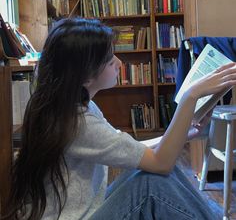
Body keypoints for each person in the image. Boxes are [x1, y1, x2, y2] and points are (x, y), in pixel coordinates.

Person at [8, 17, 236, 220]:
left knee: (150, 170)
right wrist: (190, 95)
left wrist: (181, 135)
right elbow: (161, 162)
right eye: (109, 60)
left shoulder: (68, 107)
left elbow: (135, 150)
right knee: (150, 184)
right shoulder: (76, 122)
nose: (119, 63)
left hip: (80, 211)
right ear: (85, 75)